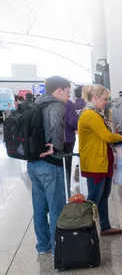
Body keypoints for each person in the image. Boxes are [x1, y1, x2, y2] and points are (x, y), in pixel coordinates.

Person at [28, 76, 71, 255]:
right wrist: (57, 146)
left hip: (33, 163)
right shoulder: (55, 105)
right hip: (51, 163)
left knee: (39, 208)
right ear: (58, 90)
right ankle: (57, 248)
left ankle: (42, 246)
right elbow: (55, 125)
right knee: (56, 208)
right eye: (68, 92)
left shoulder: (35, 104)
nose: (69, 97)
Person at [78, 85, 122, 236]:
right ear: (95, 98)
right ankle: (83, 229)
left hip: (102, 162)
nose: (106, 102)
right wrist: (121, 137)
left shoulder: (97, 113)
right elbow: (107, 136)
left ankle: (105, 226)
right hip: (95, 163)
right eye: (104, 99)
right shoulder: (90, 114)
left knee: (103, 196)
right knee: (94, 198)